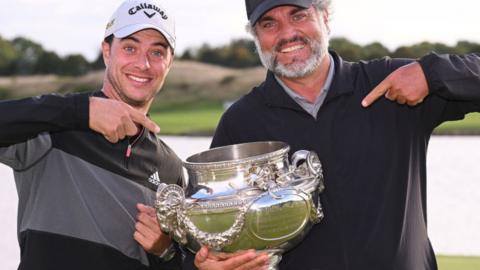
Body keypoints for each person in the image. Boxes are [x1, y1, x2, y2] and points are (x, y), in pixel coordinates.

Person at [186, 0, 480, 269]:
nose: (287, 33)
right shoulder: (241, 122)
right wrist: (211, 261)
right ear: (256, 37)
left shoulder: (390, 85)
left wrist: (433, 74)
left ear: (325, 17)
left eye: (299, 15)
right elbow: (210, 230)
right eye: (268, 24)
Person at [0, 0, 184, 269]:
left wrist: (165, 251)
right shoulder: (56, 125)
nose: (143, 64)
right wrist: (80, 112)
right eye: (130, 48)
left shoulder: (171, 168)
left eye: (157, 52)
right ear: (107, 52)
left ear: (169, 63)